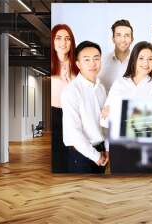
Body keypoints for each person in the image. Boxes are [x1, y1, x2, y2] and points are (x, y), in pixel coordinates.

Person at [101, 41, 152, 173]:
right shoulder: (120, 83)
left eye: (150, 59)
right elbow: (105, 119)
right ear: (134, 59)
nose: (146, 63)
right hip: (119, 146)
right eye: (141, 58)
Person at [61, 41, 109, 173]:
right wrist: (95, 156)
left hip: (101, 150)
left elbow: (105, 122)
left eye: (96, 58)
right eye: (86, 60)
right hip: (81, 154)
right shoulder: (71, 91)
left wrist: (106, 149)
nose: (92, 63)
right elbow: (73, 131)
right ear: (78, 64)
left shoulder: (101, 88)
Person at [50, 24, 79, 173]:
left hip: (73, 114)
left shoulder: (78, 66)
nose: (63, 42)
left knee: (73, 156)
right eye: (59, 38)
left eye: (67, 39)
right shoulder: (49, 66)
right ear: (53, 41)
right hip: (55, 114)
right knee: (57, 159)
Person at [99, 19, 134, 93]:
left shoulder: (139, 63)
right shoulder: (101, 61)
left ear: (132, 39)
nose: (123, 40)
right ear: (113, 39)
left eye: (127, 35)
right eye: (118, 35)